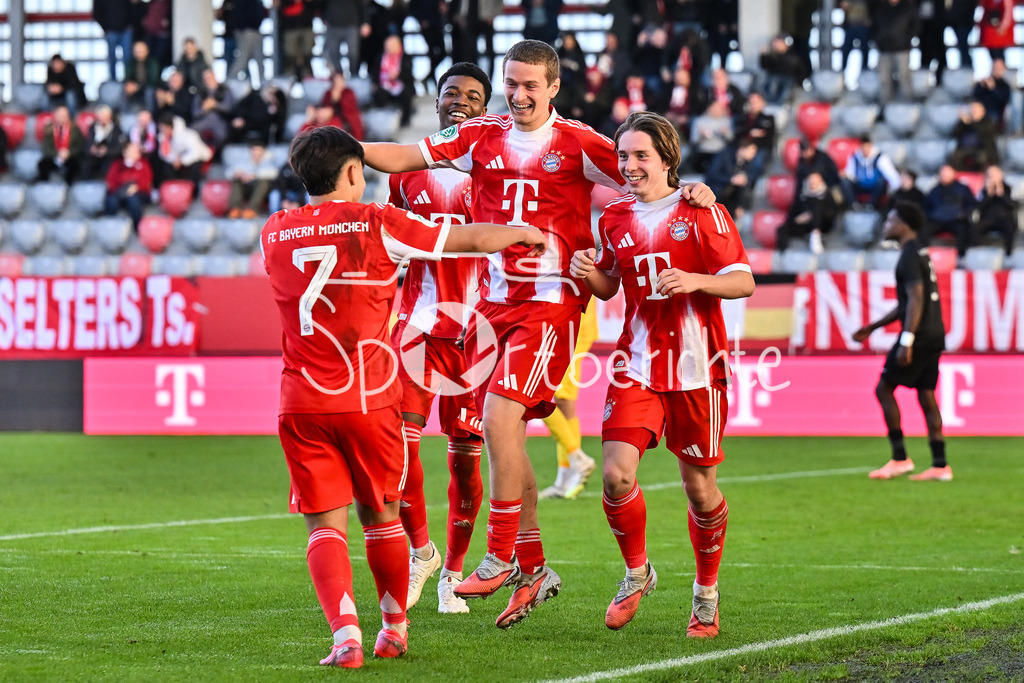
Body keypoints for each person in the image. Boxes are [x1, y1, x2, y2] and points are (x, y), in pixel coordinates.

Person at [358, 39, 716, 630]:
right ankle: (534, 566)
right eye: (512, 84)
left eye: (531, 86)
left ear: (553, 88)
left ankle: (499, 552)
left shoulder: (577, 143)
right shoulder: (481, 135)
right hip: (492, 306)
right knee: (509, 439)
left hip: (550, 303)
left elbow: (641, 173)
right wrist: (341, 151)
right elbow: (405, 156)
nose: (519, 95)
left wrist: (690, 191)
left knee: (498, 421)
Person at [259, 124, 546, 668]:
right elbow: (464, 240)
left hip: (299, 399)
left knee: (324, 524)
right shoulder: (377, 221)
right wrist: (521, 232)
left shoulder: (273, 231)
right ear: (351, 172)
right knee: (381, 515)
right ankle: (393, 626)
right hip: (367, 397)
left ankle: (345, 636)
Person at [569, 111, 753, 636]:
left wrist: (695, 279)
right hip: (637, 364)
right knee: (614, 475)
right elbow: (611, 288)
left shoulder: (703, 211)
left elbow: (742, 282)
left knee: (700, 491)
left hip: (698, 368)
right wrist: (593, 274)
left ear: (668, 158)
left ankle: (706, 593)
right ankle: (636, 572)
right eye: (623, 156)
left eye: (640, 155)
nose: (628, 166)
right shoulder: (614, 217)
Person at [387, 62, 491, 615]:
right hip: (418, 329)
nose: (461, 102)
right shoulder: (405, 173)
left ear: (485, 108)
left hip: (480, 334)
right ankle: (421, 552)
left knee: (466, 464)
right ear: (437, 101)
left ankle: (452, 573)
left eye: (473, 97)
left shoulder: (497, 172)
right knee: (399, 453)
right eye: (452, 93)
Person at [853, 202, 950, 482]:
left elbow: (916, 300)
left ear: (904, 225)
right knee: (926, 394)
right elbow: (907, 303)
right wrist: (873, 327)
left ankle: (899, 458)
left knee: (884, 389)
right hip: (934, 333)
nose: (886, 225)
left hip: (918, 335)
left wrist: (906, 340)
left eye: (891, 220)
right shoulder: (920, 252)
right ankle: (940, 465)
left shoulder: (908, 256)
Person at [536, 300, 598, 500]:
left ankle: (577, 458)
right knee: (561, 402)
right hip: (560, 320)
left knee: (544, 394)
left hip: (573, 320)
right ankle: (564, 479)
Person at [776, 171, 840, 253]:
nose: (812, 182)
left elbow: (831, 212)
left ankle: (815, 236)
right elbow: (793, 212)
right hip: (805, 224)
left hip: (823, 224)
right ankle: (783, 252)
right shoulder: (802, 196)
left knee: (816, 210)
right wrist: (798, 219)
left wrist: (811, 215)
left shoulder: (827, 194)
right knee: (782, 229)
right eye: (811, 180)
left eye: (815, 180)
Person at [872, 0, 919, 103]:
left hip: (902, 48)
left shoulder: (907, 7)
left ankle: (908, 104)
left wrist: (907, 39)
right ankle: (884, 105)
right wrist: (878, 39)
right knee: (884, 79)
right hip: (884, 48)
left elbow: (915, 24)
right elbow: (873, 24)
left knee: (904, 77)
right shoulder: (880, 7)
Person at [924, 164, 976, 256]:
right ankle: (923, 255)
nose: (944, 175)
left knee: (964, 229)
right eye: (942, 173)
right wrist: (932, 215)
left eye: (947, 172)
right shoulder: (934, 190)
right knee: (923, 230)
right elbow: (926, 207)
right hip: (937, 221)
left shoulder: (963, 189)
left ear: (953, 173)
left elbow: (971, 204)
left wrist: (963, 214)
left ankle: (961, 256)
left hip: (957, 220)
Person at [104, 141, 152, 231]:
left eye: (136, 151)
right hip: (120, 192)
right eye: (131, 151)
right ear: (124, 152)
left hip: (139, 193)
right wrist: (120, 190)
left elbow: (146, 181)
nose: (134, 153)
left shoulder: (144, 164)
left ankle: (138, 227)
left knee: (133, 199)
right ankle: (110, 227)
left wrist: (136, 187)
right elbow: (111, 180)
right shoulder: (117, 164)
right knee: (111, 200)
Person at [843, 135, 900, 209]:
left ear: (871, 146)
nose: (865, 150)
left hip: (874, 187)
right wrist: (845, 175)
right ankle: (854, 204)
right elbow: (850, 173)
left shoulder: (880, 157)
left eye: (867, 147)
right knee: (844, 181)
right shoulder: (854, 157)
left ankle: (871, 205)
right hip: (860, 184)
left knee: (881, 181)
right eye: (863, 147)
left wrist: (895, 188)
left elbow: (891, 174)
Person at [227, 137, 278, 218]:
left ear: (263, 151)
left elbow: (274, 173)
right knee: (236, 181)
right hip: (249, 187)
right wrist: (238, 174)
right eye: (254, 150)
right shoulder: (245, 161)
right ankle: (235, 209)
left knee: (263, 183)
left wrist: (254, 175)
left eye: (259, 150)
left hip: (264, 189)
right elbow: (229, 172)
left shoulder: (269, 160)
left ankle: (252, 209)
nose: (256, 153)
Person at [373, 34, 415, 127]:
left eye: (390, 46)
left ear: (398, 46)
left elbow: (409, 75)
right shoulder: (381, 56)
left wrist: (398, 75)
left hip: (401, 84)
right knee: (379, 93)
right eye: (387, 46)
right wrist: (375, 83)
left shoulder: (405, 57)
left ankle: (405, 121)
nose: (388, 48)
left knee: (406, 94)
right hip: (384, 85)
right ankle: (382, 122)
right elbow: (375, 71)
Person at [976, 164, 1018, 256]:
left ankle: (1009, 255)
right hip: (987, 219)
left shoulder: (1009, 188)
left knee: (1010, 227)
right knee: (973, 228)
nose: (992, 177)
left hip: (1004, 219)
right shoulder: (983, 190)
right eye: (990, 175)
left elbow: (1014, 206)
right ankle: (976, 254)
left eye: (995, 174)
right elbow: (978, 207)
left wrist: (1001, 195)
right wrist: (988, 195)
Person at [323, 0, 371, 78]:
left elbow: (362, 5)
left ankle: (354, 76)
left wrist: (365, 22)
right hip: (333, 25)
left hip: (351, 25)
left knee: (353, 54)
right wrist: (324, 17)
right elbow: (323, 4)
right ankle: (339, 77)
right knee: (332, 53)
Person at [37, 105, 84, 183]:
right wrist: (57, 154)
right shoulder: (49, 129)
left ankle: (69, 186)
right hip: (54, 156)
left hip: (70, 157)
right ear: (55, 116)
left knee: (75, 165)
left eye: (64, 115)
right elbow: (46, 147)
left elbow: (80, 146)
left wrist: (69, 153)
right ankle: (44, 186)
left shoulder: (75, 129)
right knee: (42, 164)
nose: (62, 118)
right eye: (60, 115)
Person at [950, 101, 999, 172]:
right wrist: (961, 123)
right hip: (964, 149)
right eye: (971, 110)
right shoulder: (965, 123)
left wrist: (970, 123)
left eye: (975, 110)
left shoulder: (988, 122)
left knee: (981, 158)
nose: (973, 112)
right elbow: (954, 134)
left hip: (982, 150)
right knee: (955, 157)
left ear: (982, 111)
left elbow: (983, 131)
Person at [93, 0, 134, 81]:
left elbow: (131, 7)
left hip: (125, 30)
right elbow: (97, 13)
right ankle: (113, 82)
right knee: (112, 59)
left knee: (128, 58)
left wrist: (130, 25)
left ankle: (128, 82)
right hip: (111, 31)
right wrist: (106, 28)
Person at [82, 104, 125, 180]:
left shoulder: (116, 129)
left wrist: (107, 151)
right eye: (100, 116)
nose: (102, 118)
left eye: (104, 116)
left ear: (110, 116)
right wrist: (91, 148)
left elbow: (119, 148)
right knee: (86, 165)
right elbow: (87, 143)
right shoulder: (93, 127)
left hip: (109, 157)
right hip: (94, 156)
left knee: (109, 166)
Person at [321, 71, 365, 140]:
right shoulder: (328, 93)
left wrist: (339, 99)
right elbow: (325, 106)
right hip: (331, 118)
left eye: (340, 80)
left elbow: (351, 108)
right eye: (336, 81)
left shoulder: (349, 92)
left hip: (347, 119)